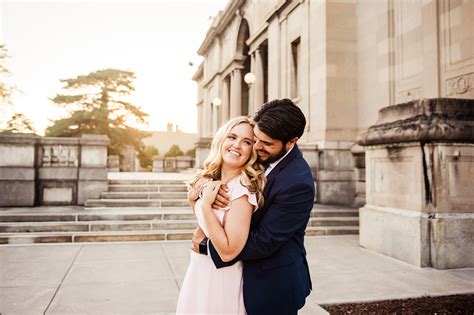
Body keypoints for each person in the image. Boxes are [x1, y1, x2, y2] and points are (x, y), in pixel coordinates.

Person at [192, 98, 315, 315]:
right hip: (233, 279)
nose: (257, 147)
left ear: (291, 141)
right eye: (255, 139)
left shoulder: (298, 182)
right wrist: (201, 193)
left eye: (266, 143)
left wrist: (206, 246)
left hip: (272, 286)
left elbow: (263, 242)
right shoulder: (258, 157)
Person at [176, 116, 266, 314]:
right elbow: (210, 226)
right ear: (221, 139)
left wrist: (206, 206)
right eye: (232, 137)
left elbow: (228, 251)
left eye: (247, 142)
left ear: (252, 150)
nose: (237, 145)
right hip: (198, 270)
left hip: (220, 279)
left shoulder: (241, 191)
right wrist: (195, 202)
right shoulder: (210, 180)